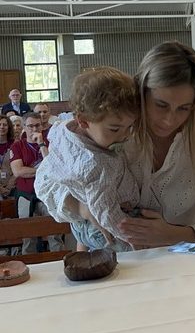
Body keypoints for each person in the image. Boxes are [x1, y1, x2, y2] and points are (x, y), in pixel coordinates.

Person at [37, 41, 195, 245]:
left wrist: (173, 235)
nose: (169, 120)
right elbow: (46, 181)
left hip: (182, 263)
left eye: (183, 108)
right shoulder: (113, 132)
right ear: (141, 93)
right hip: (115, 261)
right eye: (161, 105)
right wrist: (83, 207)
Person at [35, 67, 140, 252]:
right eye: (115, 129)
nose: (125, 135)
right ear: (83, 121)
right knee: (137, 256)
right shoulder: (94, 163)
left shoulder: (63, 129)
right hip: (103, 226)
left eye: (130, 127)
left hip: (84, 222)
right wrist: (132, 239)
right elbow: (104, 210)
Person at [10, 112, 64, 254]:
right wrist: (44, 170)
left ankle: (59, 261)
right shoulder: (17, 146)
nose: (34, 129)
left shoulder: (50, 143)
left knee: (54, 234)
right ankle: (29, 264)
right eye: (30, 126)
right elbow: (18, 171)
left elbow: (54, 167)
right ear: (24, 127)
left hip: (48, 195)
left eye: (37, 125)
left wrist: (41, 144)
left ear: (42, 126)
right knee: (28, 237)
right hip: (26, 195)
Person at [0, 115, 15, 199]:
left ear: (9, 127)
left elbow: (19, 167)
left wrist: (9, 186)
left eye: (5, 125)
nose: (2, 127)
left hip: (12, 186)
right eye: (0, 124)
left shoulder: (16, 145)